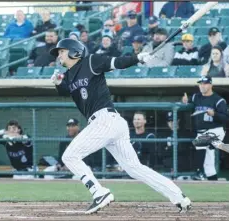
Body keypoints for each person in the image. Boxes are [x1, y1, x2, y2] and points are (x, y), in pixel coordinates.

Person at [49, 38, 191, 214]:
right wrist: (57, 83)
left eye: (61, 51)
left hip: (105, 120)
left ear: (74, 51)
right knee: (134, 168)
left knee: (70, 156)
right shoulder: (70, 74)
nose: (59, 55)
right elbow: (66, 90)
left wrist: (137, 58)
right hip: (108, 123)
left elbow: (116, 62)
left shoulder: (91, 61)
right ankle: (179, 197)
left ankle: (99, 192)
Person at [181, 76, 229, 180]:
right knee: (209, 165)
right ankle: (213, 183)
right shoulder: (196, 97)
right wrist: (185, 101)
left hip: (216, 130)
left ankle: (199, 172)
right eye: (200, 83)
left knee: (200, 143)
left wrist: (214, 114)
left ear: (211, 85)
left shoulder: (219, 100)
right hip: (202, 132)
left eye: (205, 83)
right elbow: (189, 102)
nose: (202, 86)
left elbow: (226, 118)